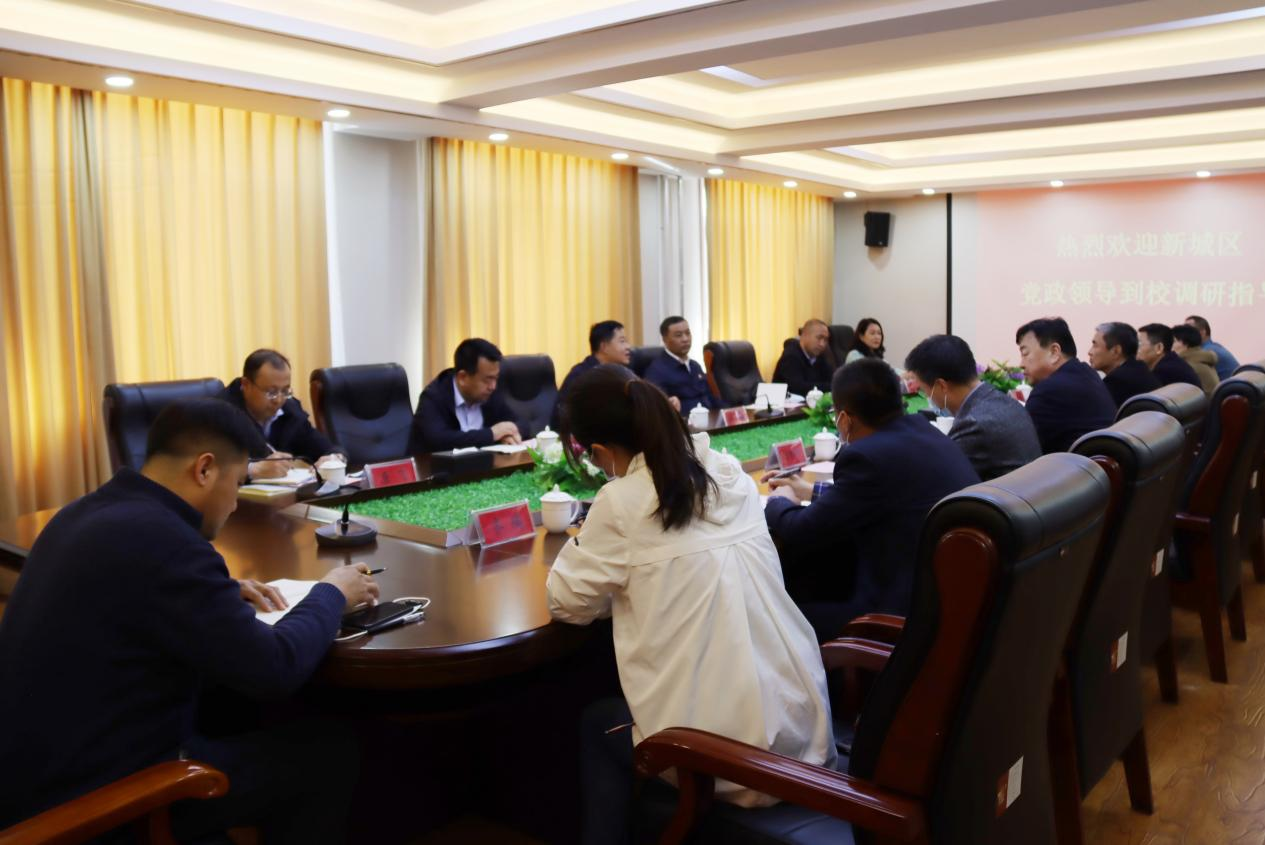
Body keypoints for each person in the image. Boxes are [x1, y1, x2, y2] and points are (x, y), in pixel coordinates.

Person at [0, 399, 379, 841]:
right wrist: (332, 593)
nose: (234, 504)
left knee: (234, 708)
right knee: (328, 752)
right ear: (204, 469)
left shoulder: (84, 513)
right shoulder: (168, 543)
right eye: (237, 483)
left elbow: (137, 594)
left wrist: (216, 592)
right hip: (96, 802)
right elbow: (276, 667)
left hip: (31, 775)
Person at [546, 365, 834, 845]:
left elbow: (566, 602)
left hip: (722, 761)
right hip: (801, 737)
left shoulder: (621, 501)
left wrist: (592, 554)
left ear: (600, 451)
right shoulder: (728, 471)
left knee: (598, 723)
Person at [764, 359, 980, 641]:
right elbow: (880, 497)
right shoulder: (924, 431)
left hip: (899, 615)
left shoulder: (865, 457)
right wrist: (811, 491)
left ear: (844, 419)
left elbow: (800, 530)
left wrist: (779, 500)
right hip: (954, 600)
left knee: (773, 616)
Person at [904, 334, 1041, 480]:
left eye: (924, 390)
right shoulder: (1005, 402)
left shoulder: (973, 423)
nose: (927, 396)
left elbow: (939, 476)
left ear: (941, 386)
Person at [221, 348, 345, 481]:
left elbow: (326, 447)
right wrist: (252, 470)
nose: (279, 400)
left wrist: (334, 458)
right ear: (245, 385)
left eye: (285, 391)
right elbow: (212, 469)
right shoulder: (221, 413)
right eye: (271, 392)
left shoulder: (290, 410)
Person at [1016, 317, 1116, 454]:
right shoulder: (1087, 373)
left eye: (1025, 353)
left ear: (1054, 352)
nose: (1021, 364)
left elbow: (1020, 449)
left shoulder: (1049, 391)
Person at [410, 338, 520, 452]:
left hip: (484, 462)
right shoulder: (433, 398)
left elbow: (521, 424)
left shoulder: (489, 393)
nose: (493, 386)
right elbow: (439, 440)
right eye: (487, 379)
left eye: (495, 378)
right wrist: (491, 434)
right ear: (462, 378)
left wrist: (507, 434)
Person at [552, 320, 634, 429]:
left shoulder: (624, 373)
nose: (628, 347)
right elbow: (561, 418)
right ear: (604, 347)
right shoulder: (581, 376)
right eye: (622, 341)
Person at [642, 316, 719, 412]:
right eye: (678, 335)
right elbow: (658, 408)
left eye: (688, 333)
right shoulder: (657, 371)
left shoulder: (695, 366)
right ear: (665, 340)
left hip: (709, 417)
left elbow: (711, 397)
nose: (685, 339)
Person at [1086, 321, 1161, 408]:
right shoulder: (1139, 370)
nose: (1089, 352)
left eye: (1095, 345)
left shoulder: (1118, 381)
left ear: (1116, 351)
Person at [772, 318, 834, 397]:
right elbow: (798, 388)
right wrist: (829, 387)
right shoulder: (791, 356)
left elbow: (833, 381)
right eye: (819, 338)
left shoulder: (820, 356)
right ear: (804, 336)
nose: (822, 344)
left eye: (825, 340)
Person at [1137, 323, 1201, 389]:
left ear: (1159, 348)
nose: (1136, 349)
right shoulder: (1172, 362)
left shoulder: (1165, 371)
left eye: (1140, 344)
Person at [1186, 315, 1241, 380]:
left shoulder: (1207, 352)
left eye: (1188, 331)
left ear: (1202, 332)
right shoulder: (1213, 347)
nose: (1184, 335)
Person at [1171, 323, 1220, 396]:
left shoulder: (1188, 365)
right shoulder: (1200, 358)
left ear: (1185, 343)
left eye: (1173, 341)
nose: (1169, 346)